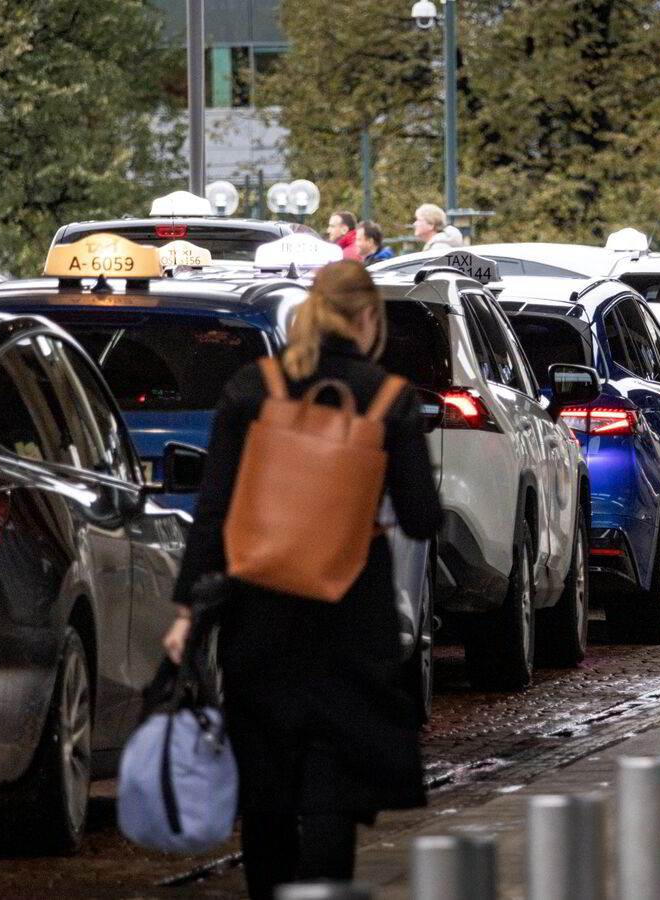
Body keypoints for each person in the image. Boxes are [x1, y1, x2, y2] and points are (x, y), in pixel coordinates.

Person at [161, 261, 442, 900]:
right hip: (351, 612)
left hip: (259, 610)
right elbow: (422, 519)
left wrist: (187, 610)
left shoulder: (252, 388)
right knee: (333, 783)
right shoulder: (387, 398)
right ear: (368, 317)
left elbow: (215, 508)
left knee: (266, 784)